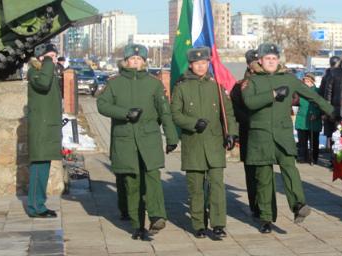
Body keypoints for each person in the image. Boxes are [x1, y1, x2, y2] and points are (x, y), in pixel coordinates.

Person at [241, 43, 334, 233]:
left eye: (274, 58)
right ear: (260, 60)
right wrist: (273, 94)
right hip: (261, 136)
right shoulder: (252, 81)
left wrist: (333, 111)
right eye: (268, 59)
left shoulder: (289, 79)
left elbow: (311, 96)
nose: (271, 62)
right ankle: (266, 218)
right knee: (264, 178)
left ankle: (299, 205)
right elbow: (250, 102)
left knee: (290, 170)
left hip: (283, 135)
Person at [97, 44, 179, 240]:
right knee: (132, 183)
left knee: (152, 178)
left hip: (149, 137)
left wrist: (171, 137)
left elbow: (164, 112)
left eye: (139, 59)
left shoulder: (154, 84)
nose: (135, 62)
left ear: (144, 61)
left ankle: (157, 216)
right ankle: (137, 225)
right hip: (125, 139)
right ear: (125, 61)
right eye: (132, 59)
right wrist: (124, 114)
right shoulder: (115, 83)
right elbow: (102, 104)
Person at [171, 47, 238, 239]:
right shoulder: (182, 87)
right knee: (196, 188)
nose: (202, 66)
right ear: (191, 65)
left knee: (217, 186)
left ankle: (218, 224)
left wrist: (231, 133)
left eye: (205, 63)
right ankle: (199, 224)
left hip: (215, 144)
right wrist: (192, 124)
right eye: (197, 63)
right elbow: (175, 114)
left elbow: (228, 113)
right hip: (193, 144)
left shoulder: (216, 85)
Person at [230, 49, 278, 219]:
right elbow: (234, 110)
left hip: (266, 133)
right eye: (254, 62)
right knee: (251, 172)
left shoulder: (270, 81)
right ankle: (256, 206)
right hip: (248, 132)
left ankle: (269, 209)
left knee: (266, 172)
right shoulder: (240, 85)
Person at [26, 43, 62, 219]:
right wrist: (48, 62)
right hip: (41, 128)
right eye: (51, 56)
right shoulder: (36, 73)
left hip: (47, 126)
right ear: (41, 58)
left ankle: (39, 204)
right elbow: (44, 84)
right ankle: (35, 207)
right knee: (39, 167)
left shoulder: (46, 72)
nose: (54, 60)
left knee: (44, 167)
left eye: (54, 57)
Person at [295, 73, 322, 165]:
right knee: (302, 140)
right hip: (302, 118)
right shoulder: (300, 91)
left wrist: (317, 114)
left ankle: (313, 158)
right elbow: (294, 101)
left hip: (314, 119)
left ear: (312, 82)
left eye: (307, 81)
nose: (305, 82)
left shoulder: (318, 91)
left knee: (314, 141)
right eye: (304, 81)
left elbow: (322, 105)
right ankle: (302, 157)